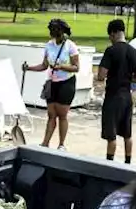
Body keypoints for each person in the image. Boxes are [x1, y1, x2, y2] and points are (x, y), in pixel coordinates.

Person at [24, 19, 79, 150]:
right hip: (52, 83)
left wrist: (61, 67)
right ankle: (45, 142)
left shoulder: (70, 46)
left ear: (62, 30)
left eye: (55, 29)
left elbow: (76, 67)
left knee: (62, 115)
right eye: (51, 29)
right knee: (51, 115)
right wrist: (29, 68)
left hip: (66, 83)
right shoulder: (49, 45)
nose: (52, 32)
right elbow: (44, 65)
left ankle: (61, 144)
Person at [98, 19, 136, 164]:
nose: (110, 39)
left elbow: (101, 75)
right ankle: (128, 162)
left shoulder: (111, 51)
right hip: (127, 95)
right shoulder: (134, 52)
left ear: (113, 33)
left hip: (113, 96)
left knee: (112, 135)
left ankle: (109, 162)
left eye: (110, 36)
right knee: (127, 133)